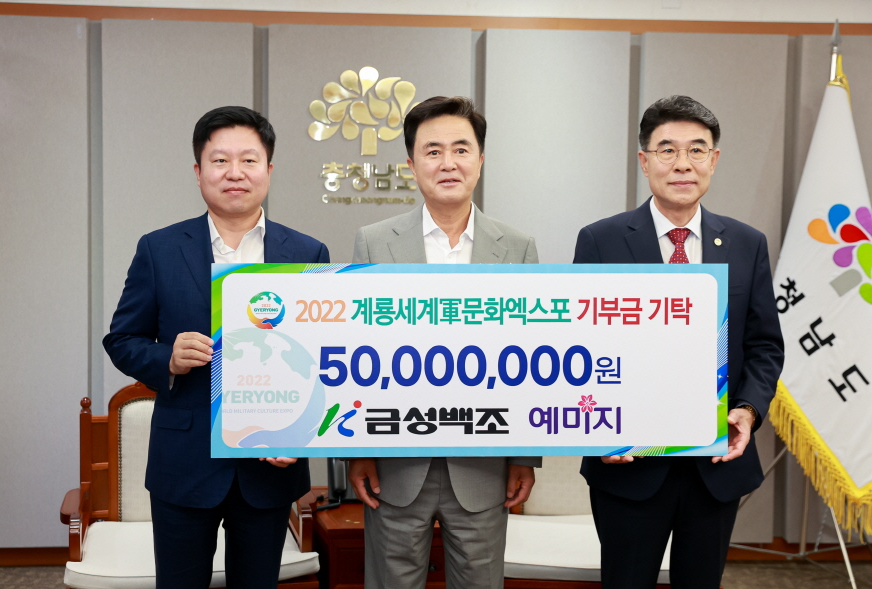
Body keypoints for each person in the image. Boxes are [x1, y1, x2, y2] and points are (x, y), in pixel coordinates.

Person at [103, 106, 330, 589]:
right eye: (220, 160)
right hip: (184, 465)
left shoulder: (307, 253)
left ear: (269, 169)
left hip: (269, 469)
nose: (235, 172)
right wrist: (167, 357)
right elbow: (121, 340)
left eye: (249, 160)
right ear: (198, 170)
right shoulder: (159, 249)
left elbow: (322, 360)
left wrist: (300, 435)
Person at [573, 95, 784, 588]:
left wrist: (748, 410)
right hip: (629, 467)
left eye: (696, 149)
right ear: (644, 160)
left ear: (714, 159)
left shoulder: (747, 243)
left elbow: (764, 346)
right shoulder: (601, 240)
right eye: (667, 150)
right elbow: (578, 347)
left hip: (715, 468)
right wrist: (598, 429)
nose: (683, 163)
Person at [349, 95, 541, 589]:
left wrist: (524, 456)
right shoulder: (373, 242)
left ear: (480, 159)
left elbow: (531, 355)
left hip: (483, 464)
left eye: (461, 149)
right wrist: (357, 453)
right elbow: (355, 351)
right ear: (411, 164)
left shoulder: (517, 247)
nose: (448, 162)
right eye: (432, 151)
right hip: (395, 463)